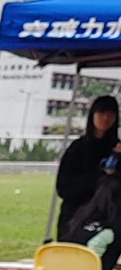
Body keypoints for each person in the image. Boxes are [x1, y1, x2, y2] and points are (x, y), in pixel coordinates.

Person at [55, 93, 119, 238]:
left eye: (110, 114)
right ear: (93, 115)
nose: (105, 118)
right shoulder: (78, 148)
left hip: (108, 219)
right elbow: (63, 187)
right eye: (101, 113)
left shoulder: (117, 149)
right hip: (75, 216)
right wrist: (99, 178)